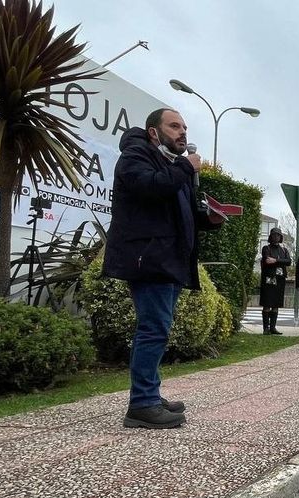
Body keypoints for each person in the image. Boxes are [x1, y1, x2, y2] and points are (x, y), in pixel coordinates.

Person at [103, 108, 224, 429]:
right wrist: (185, 167)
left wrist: (208, 219)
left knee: (158, 328)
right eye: (174, 126)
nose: (182, 132)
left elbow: (175, 208)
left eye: (184, 126)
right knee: (153, 329)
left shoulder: (172, 165)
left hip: (167, 259)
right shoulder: (136, 156)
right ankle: (141, 404)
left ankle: (150, 396)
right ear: (154, 132)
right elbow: (150, 188)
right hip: (148, 257)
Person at [259, 228, 291, 335]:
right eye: (274, 235)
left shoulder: (284, 250)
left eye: (278, 235)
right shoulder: (266, 248)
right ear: (270, 236)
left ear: (281, 237)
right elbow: (267, 260)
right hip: (269, 278)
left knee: (276, 304)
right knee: (267, 303)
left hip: (280, 279)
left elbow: (288, 261)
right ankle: (266, 328)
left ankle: (273, 327)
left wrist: (276, 260)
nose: (276, 237)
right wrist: (278, 262)